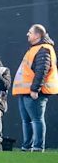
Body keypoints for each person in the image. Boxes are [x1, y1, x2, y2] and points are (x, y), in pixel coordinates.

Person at [13, 24, 58, 152]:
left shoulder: (44, 49)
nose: (28, 34)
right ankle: (26, 147)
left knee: (37, 119)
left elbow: (42, 70)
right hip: (25, 92)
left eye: (30, 32)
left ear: (38, 35)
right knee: (26, 120)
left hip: (34, 92)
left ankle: (38, 147)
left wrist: (35, 89)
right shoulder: (35, 48)